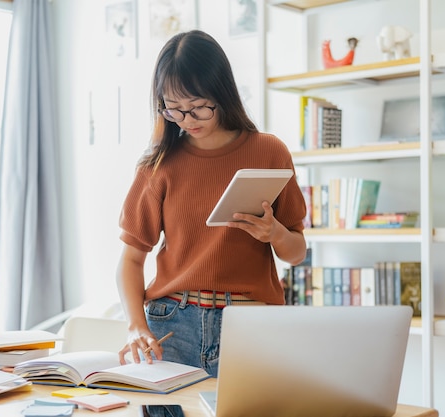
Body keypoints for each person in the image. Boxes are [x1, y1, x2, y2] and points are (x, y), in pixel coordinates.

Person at [116, 30, 307, 377]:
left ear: (222, 93)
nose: (187, 120)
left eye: (198, 107)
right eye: (174, 109)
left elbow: (296, 252)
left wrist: (274, 232)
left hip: (251, 324)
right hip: (172, 324)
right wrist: (135, 325)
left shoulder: (269, 151)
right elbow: (131, 259)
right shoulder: (158, 165)